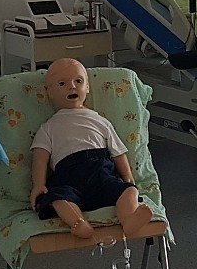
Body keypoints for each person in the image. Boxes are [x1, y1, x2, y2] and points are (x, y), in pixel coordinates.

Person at [29, 58, 154, 239]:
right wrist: (39, 185)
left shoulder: (100, 121)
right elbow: (40, 157)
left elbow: (118, 152)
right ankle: (78, 222)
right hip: (69, 176)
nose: (72, 87)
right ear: (50, 92)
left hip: (101, 173)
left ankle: (128, 219)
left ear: (87, 87)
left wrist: (128, 177)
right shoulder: (48, 127)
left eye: (78, 81)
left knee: (129, 190)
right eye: (62, 84)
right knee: (57, 197)